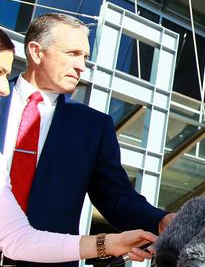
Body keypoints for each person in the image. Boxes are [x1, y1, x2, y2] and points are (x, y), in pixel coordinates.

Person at [0, 14, 174, 267]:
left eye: (85, 57)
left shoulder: (93, 126)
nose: (82, 66)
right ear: (36, 52)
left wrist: (159, 221)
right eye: (73, 53)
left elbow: (115, 195)